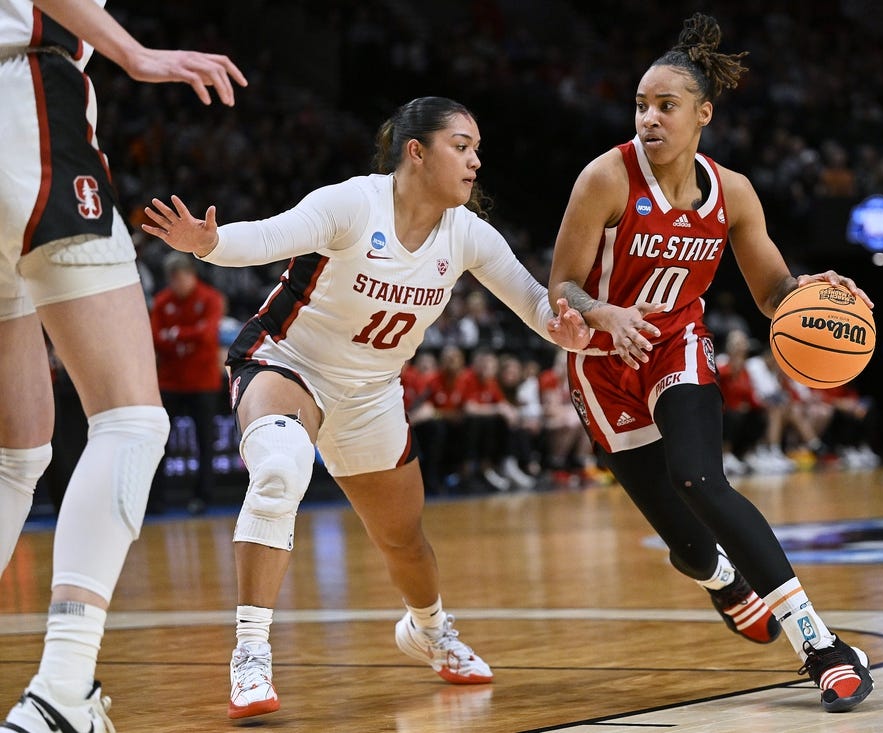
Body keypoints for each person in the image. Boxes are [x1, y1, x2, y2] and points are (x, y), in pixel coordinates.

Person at [140, 96, 593, 720]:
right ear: (417, 151)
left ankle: (428, 629)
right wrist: (209, 242)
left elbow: (536, 303)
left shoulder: (467, 235)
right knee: (278, 472)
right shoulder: (353, 204)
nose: (475, 161)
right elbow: (269, 236)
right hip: (286, 363)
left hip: (372, 391)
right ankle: (250, 655)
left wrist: (562, 328)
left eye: (477, 149)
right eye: (461, 147)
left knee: (403, 539)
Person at [547, 13, 875, 712]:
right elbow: (561, 286)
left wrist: (818, 295)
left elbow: (772, 293)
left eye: (664, 105)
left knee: (699, 475)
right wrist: (599, 311)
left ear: (703, 114)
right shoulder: (604, 178)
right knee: (691, 548)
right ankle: (721, 578)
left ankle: (819, 643)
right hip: (603, 364)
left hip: (675, 345)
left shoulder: (735, 192)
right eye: (639, 104)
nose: (648, 118)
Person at [0, 1, 246, 731]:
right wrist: (133, 54)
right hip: (26, 104)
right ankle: (63, 690)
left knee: (18, 448)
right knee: (132, 418)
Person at [149, 251, 226, 514]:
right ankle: (156, 500)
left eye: (182, 277)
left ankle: (203, 498)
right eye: (173, 278)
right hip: (170, 381)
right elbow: (155, 337)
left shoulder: (210, 298)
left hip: (203, 381)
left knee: (205, 443)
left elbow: (207, 335)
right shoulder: (162, 302)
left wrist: (177, 334)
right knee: (159, 442)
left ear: (192, 275)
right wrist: (184, 336)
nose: (178, 283)